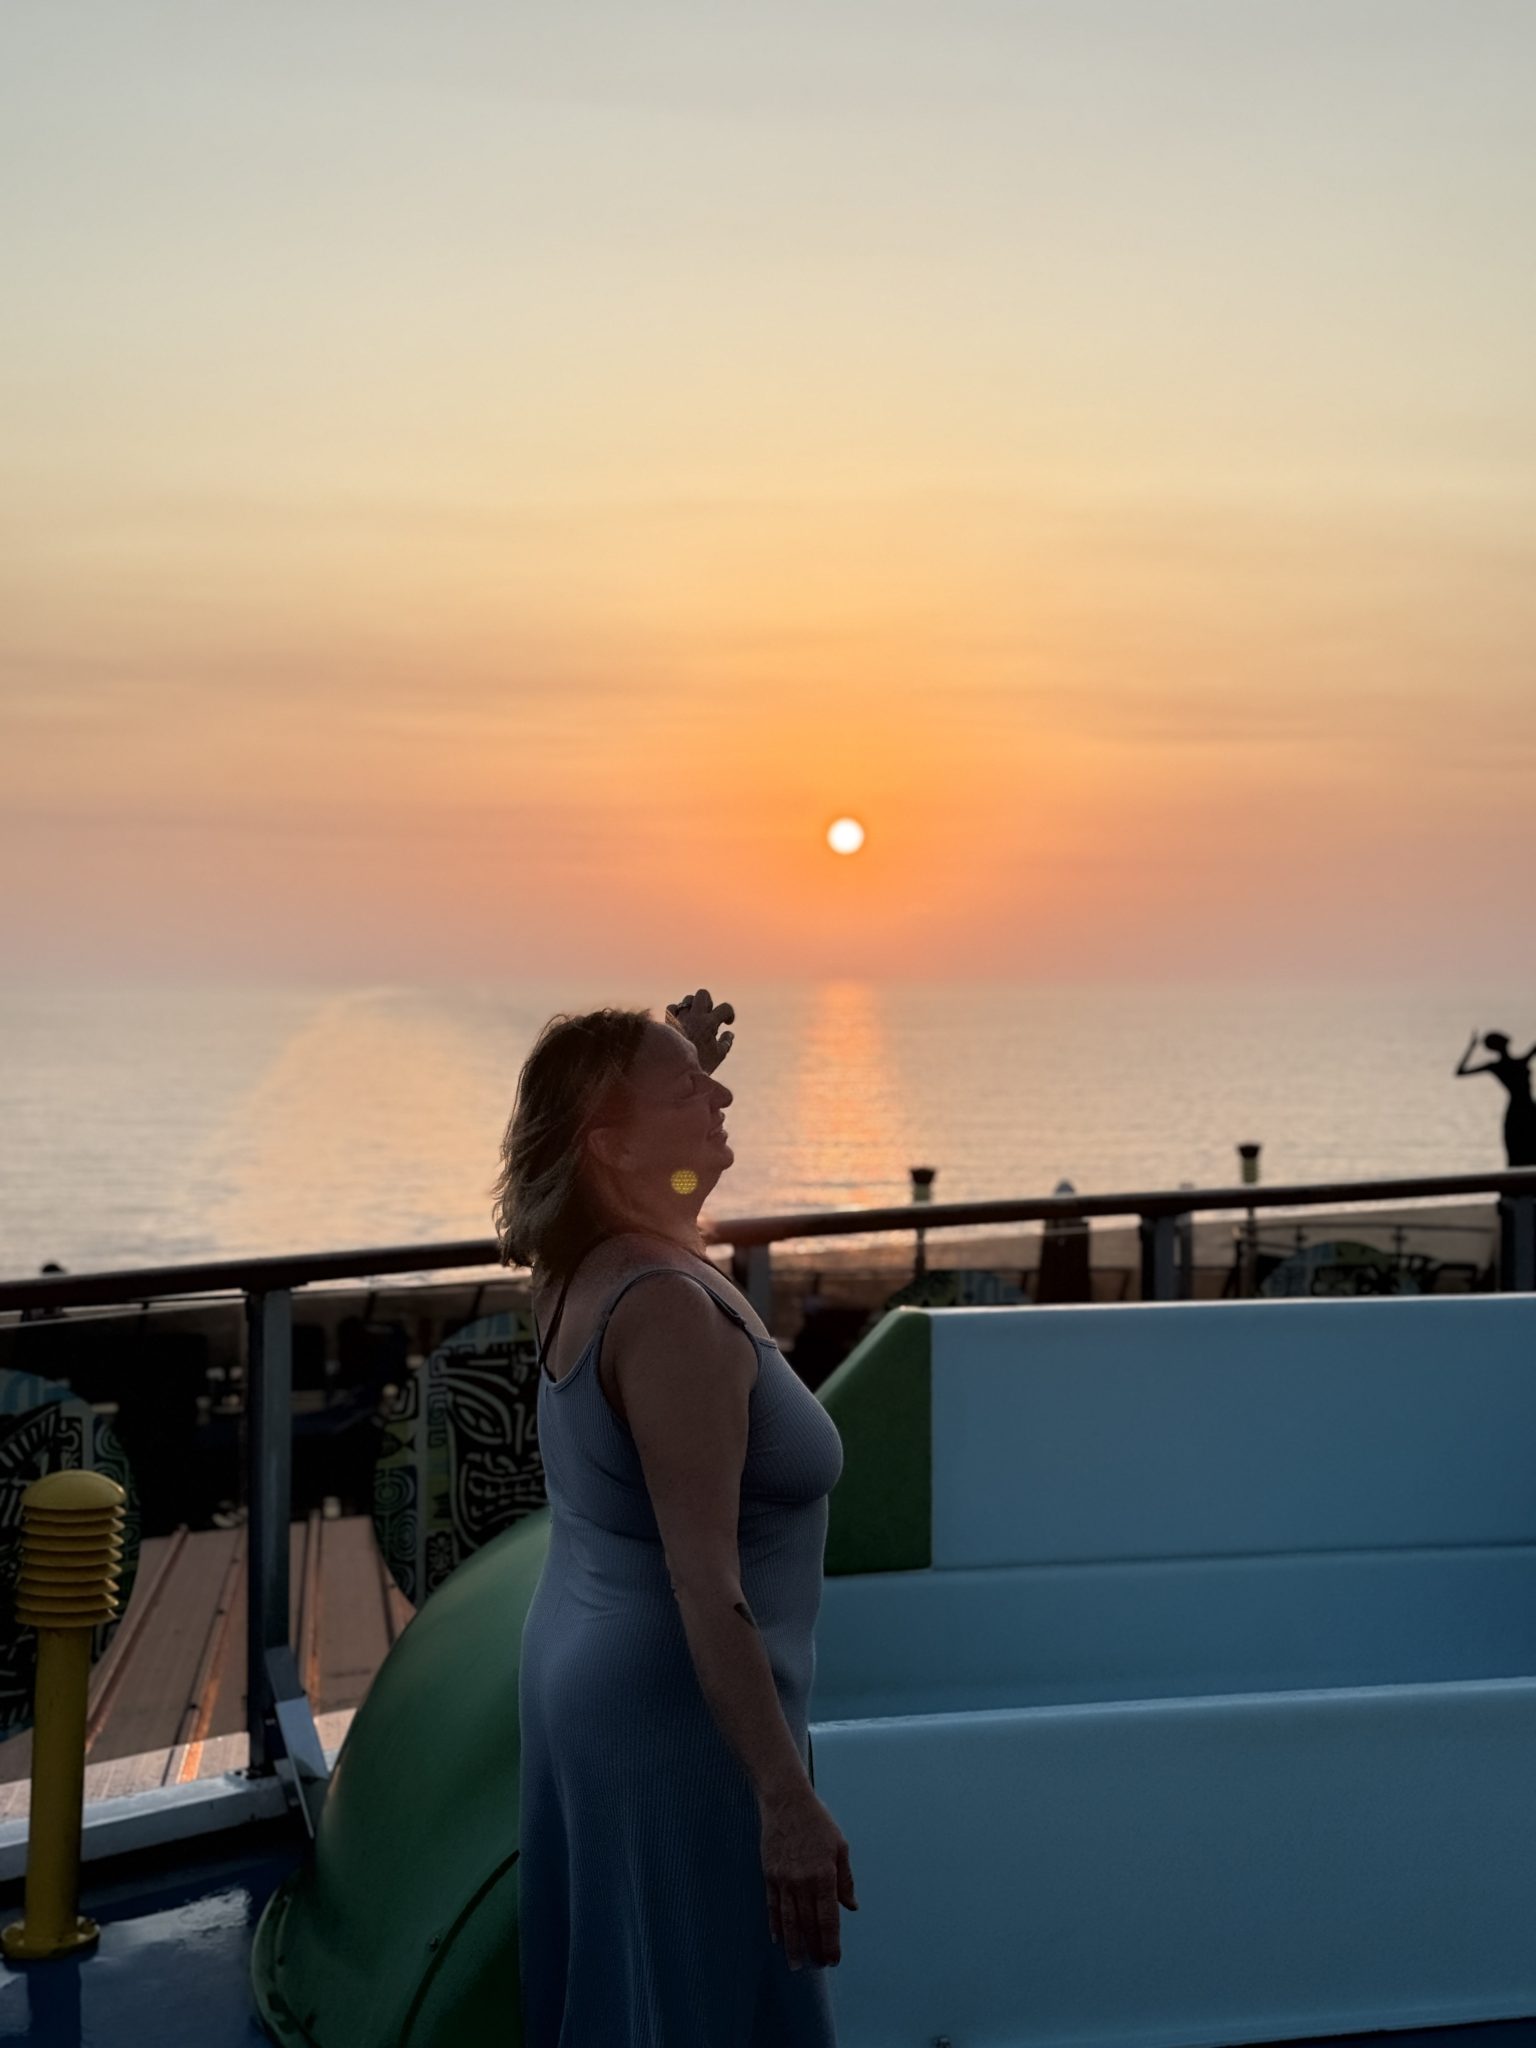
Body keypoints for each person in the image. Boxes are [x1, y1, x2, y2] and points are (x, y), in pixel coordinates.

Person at [493, 986, 856, 2046]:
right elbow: (706, 1580)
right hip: (681, 1717)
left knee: (640, 1997)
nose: (723, 1097)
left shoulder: (583, 1258)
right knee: (704, 2005)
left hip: (593, 1670)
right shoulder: (666, 1312)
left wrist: (670, 1068)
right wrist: (783, 1797)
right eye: (693, 1090)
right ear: (610, 1147)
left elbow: (605, 1142)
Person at [1455, 1030, 1536, 1168]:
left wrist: (1472, 1047)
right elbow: (1460, 1072)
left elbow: (1460, 1072)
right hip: (1523, 1110)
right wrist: (1471, 1047)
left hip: (1524, 1110)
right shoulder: (1511, 1064)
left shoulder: (1503, 1065)